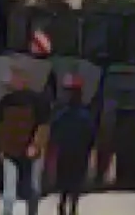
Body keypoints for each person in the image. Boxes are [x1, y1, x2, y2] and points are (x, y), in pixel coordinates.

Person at [0, 68, 51, 215]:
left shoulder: (35, 101)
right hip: (12, 150)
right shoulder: (6, 101)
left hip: (29, 150)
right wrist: (0, 148)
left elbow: (43, 126)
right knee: (11, 192)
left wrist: (35, 144)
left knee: (32, 189)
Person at [48, 75, 95, 215]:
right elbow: (90, 133)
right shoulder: (85, 113)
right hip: (79, 150)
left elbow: (55, 131)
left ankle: (63, 205)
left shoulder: (61, 112)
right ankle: (72, 207)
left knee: (65, 179)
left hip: (66, 149)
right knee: (76, 180)